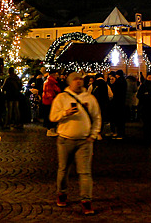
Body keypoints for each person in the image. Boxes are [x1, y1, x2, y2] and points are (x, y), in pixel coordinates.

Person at [50, 72, 101, 216]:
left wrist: (93, 134)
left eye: (80, 79)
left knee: (85, 172)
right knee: (63, 169)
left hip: (84, 141)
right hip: (65, 139)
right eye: (75, 80)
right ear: (69, 82)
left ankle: (86, 201)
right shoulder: (61, 98)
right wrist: (65, 113)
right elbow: (53, 117)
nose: (78, 82)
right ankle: (62, 193)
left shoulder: (89, 98)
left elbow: (97, 117)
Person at [42, 70, 62, 136]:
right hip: (49, 102)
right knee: (50, 115)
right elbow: (49, 93)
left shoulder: (52, 82)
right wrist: (53, 101)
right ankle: (50, 129)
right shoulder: (49, 82)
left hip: (50, 101)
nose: (57, 76)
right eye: (56, 75)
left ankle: (51, 129)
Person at [108, 70, 127, 139]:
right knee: (121, 119)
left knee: (119, 120)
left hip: (118, 102)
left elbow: (115, 92)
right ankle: (120, 133)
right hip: (122, 102)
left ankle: (120, 134)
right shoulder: (124, 81)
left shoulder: (119, 82)